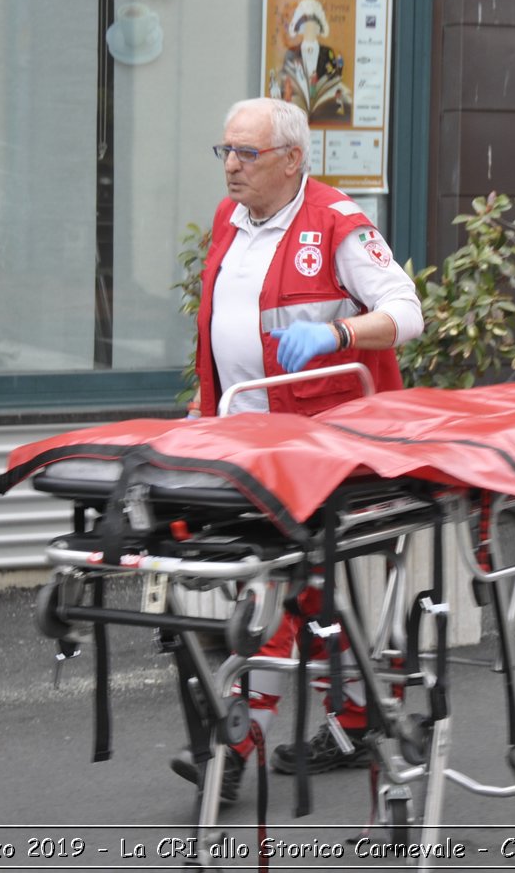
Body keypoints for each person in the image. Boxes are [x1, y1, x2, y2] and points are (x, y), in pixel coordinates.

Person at [174, 96, 423, 800]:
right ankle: (355, 709)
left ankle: (236, 743)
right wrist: (204, 413)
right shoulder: (233, 220)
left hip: (320, 443)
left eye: (246, 153)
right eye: (224, 150)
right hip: (241, 429)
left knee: (278, 584)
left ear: (292, 159)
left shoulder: (337, 225)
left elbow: (408, 313)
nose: (230, 166)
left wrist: (338, 335)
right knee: (307, 586)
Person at [269, 0, 353, 124]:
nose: (310, 30)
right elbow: (284, 82)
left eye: (313, 26)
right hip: (296, 113)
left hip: (324, 112)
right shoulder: (291, 53)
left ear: (319, 28)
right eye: (306, 26)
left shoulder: (328, 52)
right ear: (300, 29)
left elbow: (334, 79)